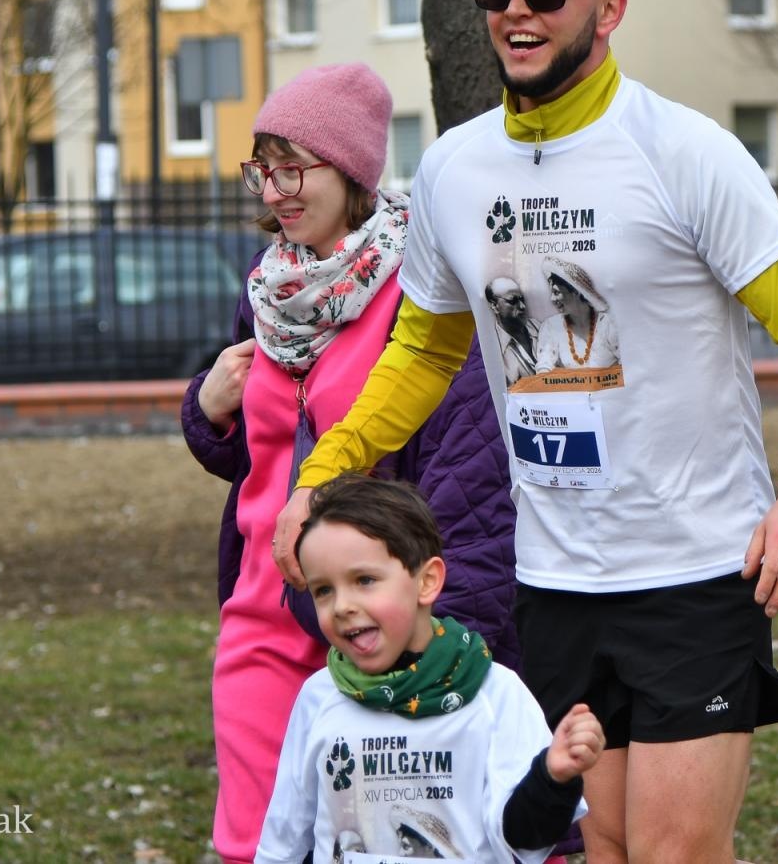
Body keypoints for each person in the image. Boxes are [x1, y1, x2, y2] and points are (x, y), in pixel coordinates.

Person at [273, 0, 778, 864]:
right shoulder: (457, 167)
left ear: (609, 8)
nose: (516, 10)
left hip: (696, 571)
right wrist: (322, 476)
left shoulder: (684, 151)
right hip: (554, 580)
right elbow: (421, 354)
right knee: (605, 853)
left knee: (675, 856)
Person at [180, 61, 519, 864]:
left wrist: (442, 642)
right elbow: (260, 450)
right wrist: (205, 410)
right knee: (253, 844)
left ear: (354, 169)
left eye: (292, 167)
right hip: (263, 616)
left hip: (371, 622)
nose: (273, 192)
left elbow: (468, 483)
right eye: (262, 169)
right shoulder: (270, 291)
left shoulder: (420, 295)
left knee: (375, 844)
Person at [254, 474, 601, 864]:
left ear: (428, 581)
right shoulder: (320, 698)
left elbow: (522, 838)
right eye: (323, 590)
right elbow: (283, 841)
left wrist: (551, 778)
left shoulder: (494, 694)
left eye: (364, 580)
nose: (342, 606)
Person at [534, 257, 620, 374]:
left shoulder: (608, 324)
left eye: (556, 292)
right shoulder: (551, 326)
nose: (552, 299)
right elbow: (544, 365)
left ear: (576, 291)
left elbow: (629, 364)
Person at [484, 276, 541, 384]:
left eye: (522, 299)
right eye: (513, 301)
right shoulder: (493, 348)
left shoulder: (542, 327)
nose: (523, 306)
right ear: (494, 306)